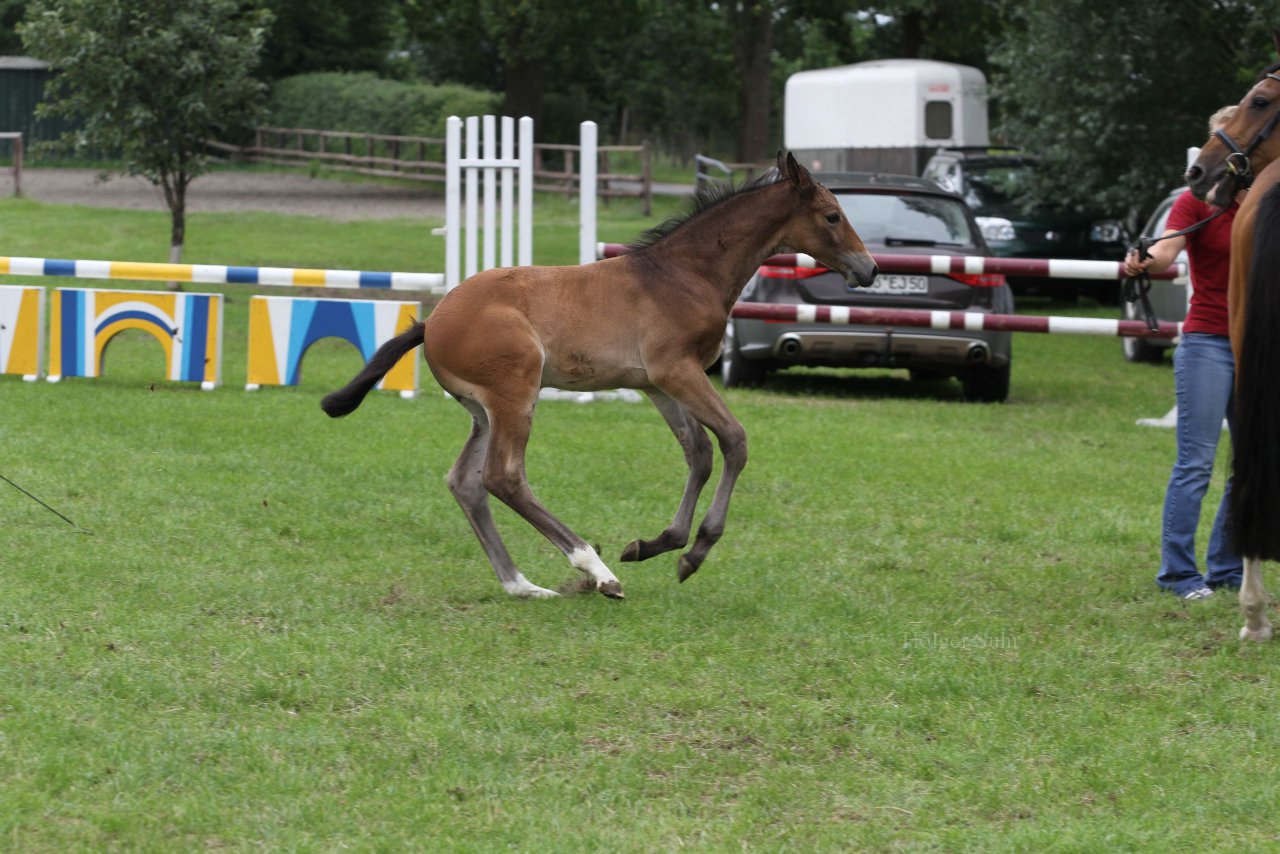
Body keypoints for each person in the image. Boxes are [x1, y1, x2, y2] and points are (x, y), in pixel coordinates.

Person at [1123, 105, 1244, 600]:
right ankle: (1178, 573)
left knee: (1250, 465)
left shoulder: (1267, 202)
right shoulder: (1195, 204)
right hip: (1208, 342)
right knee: (1195, 462)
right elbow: (1167, 252)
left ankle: (1227, 569)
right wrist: (1142, 259)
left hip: (1258, 348)